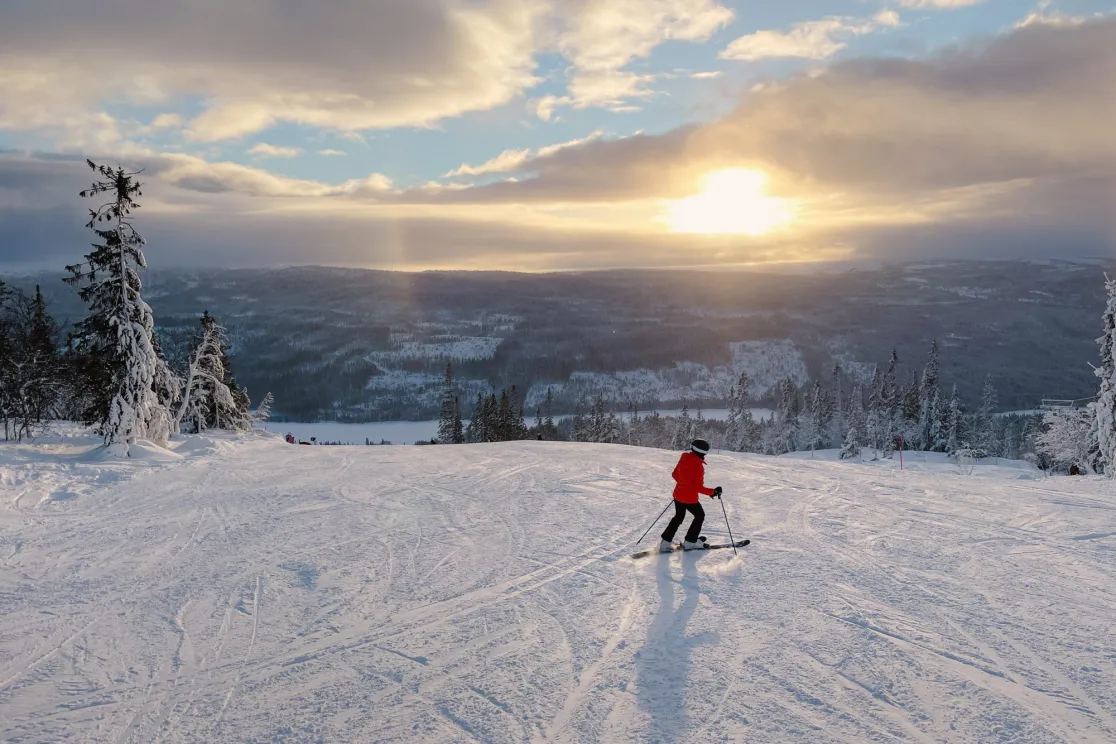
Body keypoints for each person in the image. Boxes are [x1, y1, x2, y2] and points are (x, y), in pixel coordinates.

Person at [661, 438, 723, 551]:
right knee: (700, 516)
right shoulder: (698, 466)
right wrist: (713, 491)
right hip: (689, 499)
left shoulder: (683, 458)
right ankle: (690, 542)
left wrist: (683, 485)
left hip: (678, 495)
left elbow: (675, 474)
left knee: (678, 517)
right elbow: (698, 487)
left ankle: (665, 543)